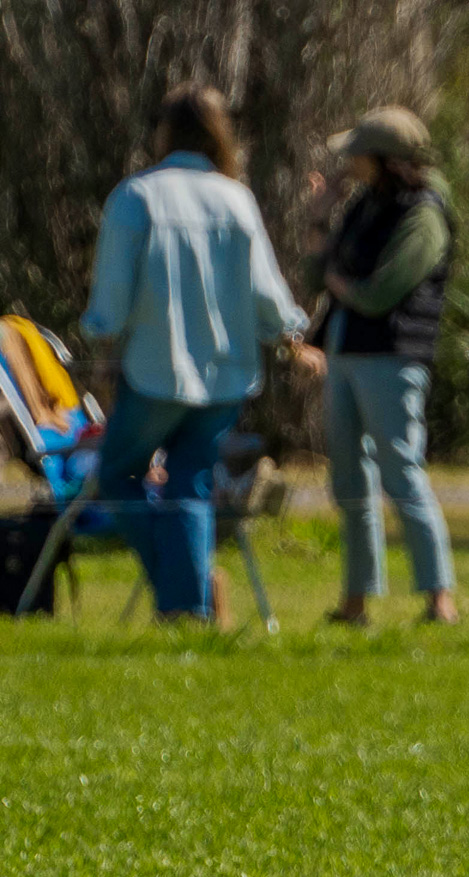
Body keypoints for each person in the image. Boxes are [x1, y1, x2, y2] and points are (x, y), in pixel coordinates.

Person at [80, 84, 309, 622]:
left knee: (118, 475)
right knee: (192, 483)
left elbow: (112, 294)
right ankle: (191, 604)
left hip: (153, 370)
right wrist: (290, 334)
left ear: (164, 131)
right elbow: (266, 291)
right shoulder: (236, 199)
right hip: (226, 375)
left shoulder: (137, 196)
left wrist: (102, 340)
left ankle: (183, 598)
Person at [298, 106, 458, 626]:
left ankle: (440, 600)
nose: (349, 163)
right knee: (349, 481)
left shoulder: (425, 214)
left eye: (358, 154)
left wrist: (337, 281)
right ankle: (356, 602)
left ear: (385, 160)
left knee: (402, 473)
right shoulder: (365, 205)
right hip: (345, 354)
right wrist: (319, 217)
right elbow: (315, 274)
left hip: (393, 359)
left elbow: (381, 292)